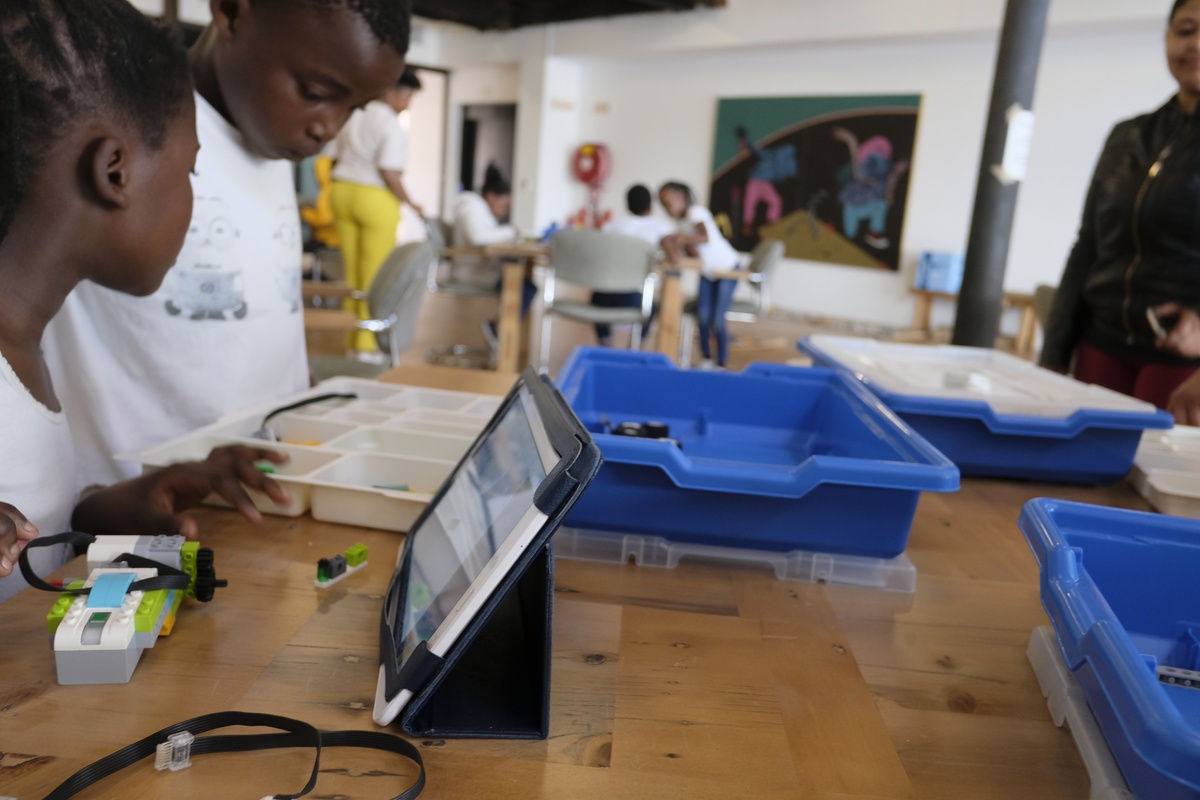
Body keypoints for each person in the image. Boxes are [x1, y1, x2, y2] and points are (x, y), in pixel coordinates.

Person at [44, 0, 411, 490]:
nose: (328, 128)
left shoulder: (271, 133)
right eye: (315, 92)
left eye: (353, 109)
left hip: (258, 484)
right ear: (234, 12)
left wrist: (298, 390)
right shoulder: (132, 126)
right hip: (127, 505)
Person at [0, 0, 289, 601]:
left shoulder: (28, 345)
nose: (189, 194)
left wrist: (97, 513)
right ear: (115, 171)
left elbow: (22, 542)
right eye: (190, 171)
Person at [1041, 0, 1200, 422]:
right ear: (1167, 38)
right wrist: (1054, 352)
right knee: (1083, 476)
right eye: (1186, 30)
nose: (1196, 44)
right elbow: (1088, 244)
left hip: (1182, 366)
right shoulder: (1127, 136)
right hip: (1100, 347)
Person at [328, 66, 423, 352]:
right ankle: (366, 348)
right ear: (393, 92)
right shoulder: (391, 125)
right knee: (374, 276)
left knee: (351, 275)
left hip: (341, 192)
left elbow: (331, 160)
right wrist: (411, 203)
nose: (408, 104)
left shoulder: (353, 114)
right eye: (407, 96)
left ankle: (350, 340)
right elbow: (389, 172)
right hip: (374, 198)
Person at [659, 181, 742, 369]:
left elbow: (705, 237)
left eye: (668, 201)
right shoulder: (682, 223)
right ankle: (706, 358)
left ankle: (721, 362)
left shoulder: (696, 212)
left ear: (681, 196)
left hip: (727, 268)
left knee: (717, 318)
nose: (666, 207)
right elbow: (696, 250)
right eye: (663, 204)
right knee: (703, 316)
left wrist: (683, 238)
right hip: (708, 272)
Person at [452, 164, 535, 346]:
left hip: (481, 267)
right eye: (504, 205)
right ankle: (500, 335)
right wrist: (511, 230)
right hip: (470, 271)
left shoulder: (480, 209)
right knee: (524, 285)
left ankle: (501, 332)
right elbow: (478, 237)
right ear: (491, 196)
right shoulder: (472, 206)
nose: (505, 211)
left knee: (524, 280)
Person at [594, 184, 674, 346]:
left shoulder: (612, 225)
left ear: (627, 204)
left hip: (602, 296)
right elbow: (674, 257)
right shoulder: (659, 228)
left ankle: (605, 344)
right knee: (653, 306)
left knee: (598, 296)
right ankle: (636, 346)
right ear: (650, 205)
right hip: (634, 298)